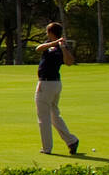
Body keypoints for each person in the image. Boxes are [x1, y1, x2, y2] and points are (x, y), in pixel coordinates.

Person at [33, 21, 79, 155]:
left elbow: (69, 62)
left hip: (48, 83)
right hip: (52, 84)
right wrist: (55, 43)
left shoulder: (61, 48)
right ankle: (71, 141)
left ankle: (46, 148)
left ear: (50, 32)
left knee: (44, 117)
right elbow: (38, 48)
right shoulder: (49, 45)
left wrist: (63, 47)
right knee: (54, 115)